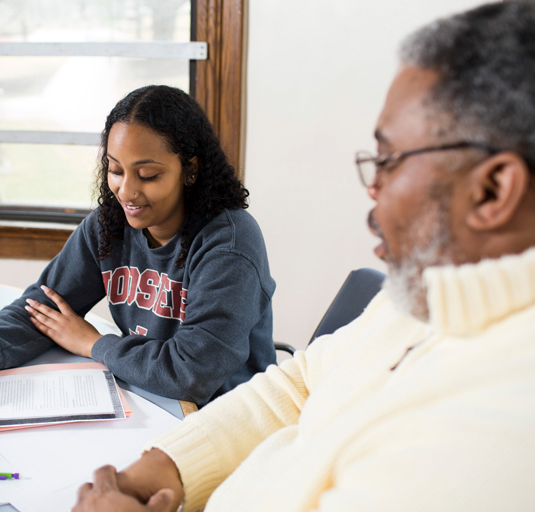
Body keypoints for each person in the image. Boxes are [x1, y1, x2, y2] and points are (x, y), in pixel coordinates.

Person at [71, 3, 535, 511]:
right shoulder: (426, 295)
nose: (373, 187)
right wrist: (167, 467)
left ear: (493, 191)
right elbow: (300, 384)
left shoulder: (502, 428)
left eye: (390, 160)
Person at [0, 85, 277, 407]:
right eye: (115, 170)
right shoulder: (109, 225)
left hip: (227, 418)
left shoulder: (229, 246)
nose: (127, 191)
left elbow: (191, 375)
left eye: (148, 175)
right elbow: (44, 308)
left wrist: (92, 343)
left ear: (190, 169)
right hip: (148, 399)